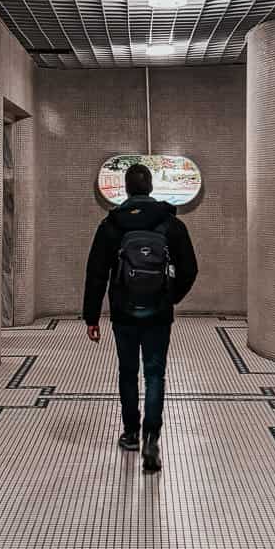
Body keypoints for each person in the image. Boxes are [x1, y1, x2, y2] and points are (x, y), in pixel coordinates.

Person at [83, 163, 198, 473]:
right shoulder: (171, 224)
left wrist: (91, 317)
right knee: (155, 374)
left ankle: (131, 433)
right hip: (159, 313)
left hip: (123, 311)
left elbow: (95, 273)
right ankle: (152, 438)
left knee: (128, 371)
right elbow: (190, 270)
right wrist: (170, 297)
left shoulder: (111, 224)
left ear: (126, 188)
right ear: (150, 187)